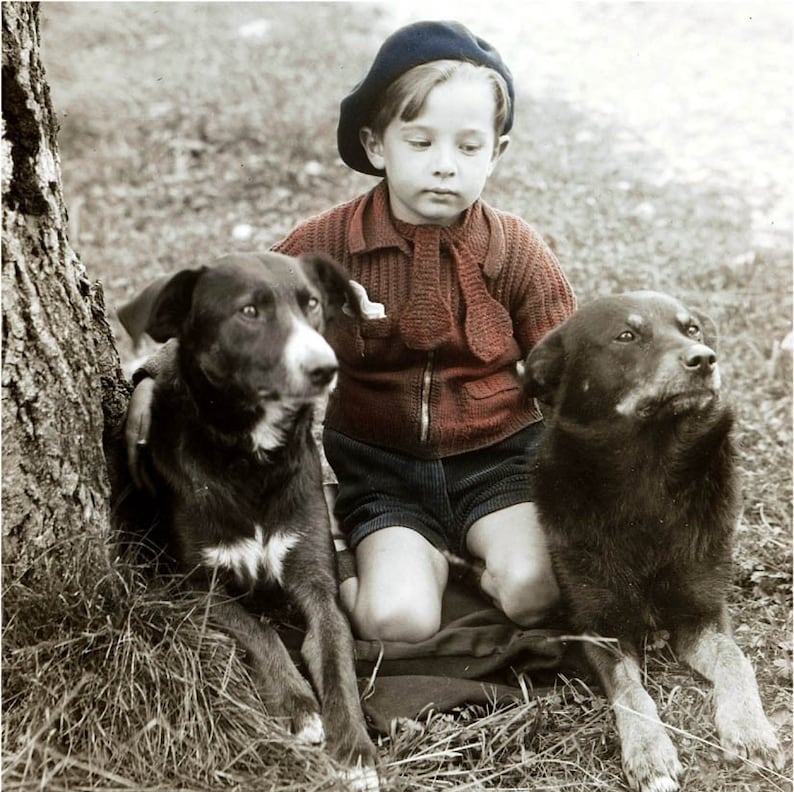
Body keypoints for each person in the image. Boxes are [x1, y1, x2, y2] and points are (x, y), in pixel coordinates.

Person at [124, 20, 575, 643]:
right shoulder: (323, 245)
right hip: (383, 477)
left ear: (496, 152)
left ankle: (475, 567)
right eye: (420, 143)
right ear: (376, 145)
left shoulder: (516, 250)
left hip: (498, 466)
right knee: (396, 620)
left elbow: (567, 366)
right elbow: (229, 310)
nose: (445, 167)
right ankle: (384, 567)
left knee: (537, 593)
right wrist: (153, 376)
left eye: (469, 148)